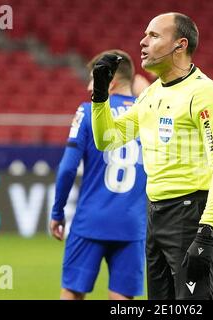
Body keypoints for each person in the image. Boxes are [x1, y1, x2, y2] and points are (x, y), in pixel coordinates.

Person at [90, 13, 213, 300]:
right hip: (155, 215)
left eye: (154, 36)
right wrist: (99, 97)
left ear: (180, 45)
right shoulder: (149, 95)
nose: (143, 42)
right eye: (145, 35)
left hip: (193, 214)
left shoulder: (204, 93)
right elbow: (108, 139)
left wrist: (207, 232)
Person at [49, 50, 147, 300]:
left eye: (94, 79)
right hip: (132, 224)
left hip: (91, 220)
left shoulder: (87, 111)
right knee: (122, 300)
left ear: (110, 81)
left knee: (72, 291)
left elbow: (68, 168)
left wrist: (57, 212)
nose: (89, 86)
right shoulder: (148, 114)